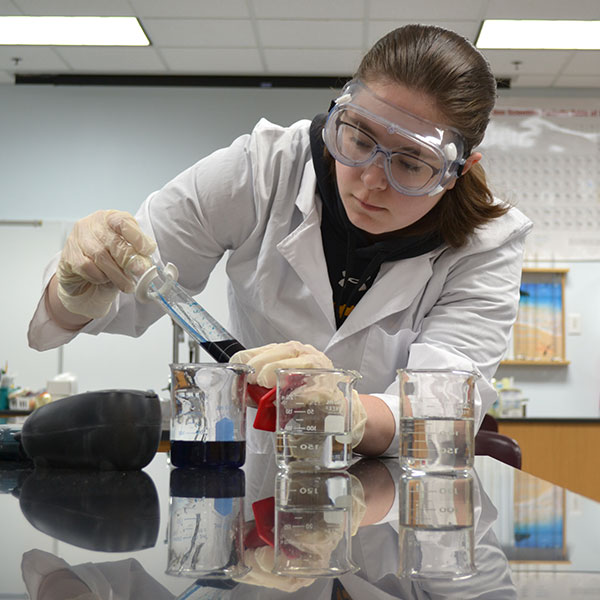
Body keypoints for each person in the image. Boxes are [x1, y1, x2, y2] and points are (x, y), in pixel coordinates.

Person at [28, 24, 532, 457]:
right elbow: (122, 299)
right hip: (260, 480)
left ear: (458, 171)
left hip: (390, 501)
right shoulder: (259, 170)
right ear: (339, 114)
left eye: (409, 162)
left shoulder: (487, 244)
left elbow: (444, 408)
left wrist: (349, 411)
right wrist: (77, 288)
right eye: (358, 139)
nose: (371, 180)